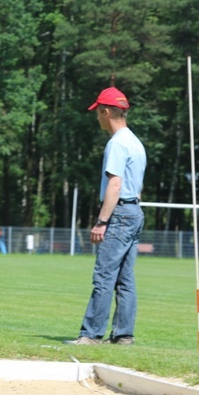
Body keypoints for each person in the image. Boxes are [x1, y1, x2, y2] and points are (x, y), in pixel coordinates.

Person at [64, 87, 146, 346]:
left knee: (104, 275)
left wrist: (102, 221)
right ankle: (123, 336)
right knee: (125, 279)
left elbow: (115, 185)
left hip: (120, 213)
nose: (97, 117)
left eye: (97, 112)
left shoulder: (117, 144)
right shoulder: (134, 141)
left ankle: (91, 335)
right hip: (134, 211)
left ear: (106, 111)